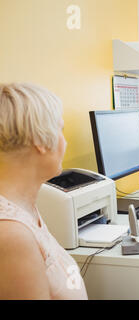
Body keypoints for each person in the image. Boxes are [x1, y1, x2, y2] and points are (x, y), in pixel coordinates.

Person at [0, 83, 87, 299]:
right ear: (40, 141)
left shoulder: (25, 207)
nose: (65, 142)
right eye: (61, 129)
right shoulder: (13, 236)